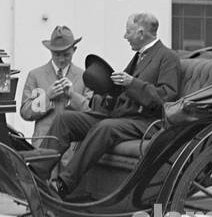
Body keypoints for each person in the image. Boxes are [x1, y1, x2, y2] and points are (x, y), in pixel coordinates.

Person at [51, 12, 181, 198]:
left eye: (128, 32)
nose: (125, 36)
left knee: (105, 127)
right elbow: (120, 92)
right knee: (65, 119)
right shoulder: (140, 57)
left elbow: (166, 98)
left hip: (147, 123)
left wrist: (131, 83)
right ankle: (38, 174)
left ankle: (64, 184)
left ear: (141, 33)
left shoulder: (168, 57)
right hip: (123, 118)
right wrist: (109, 92)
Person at [14, 25, 86, 217]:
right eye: (57, 54)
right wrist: (47, 96)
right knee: (36, 204)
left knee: (71, 207)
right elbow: (25, 111)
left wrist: (72, 95)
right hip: (43, 150)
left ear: (73, 50)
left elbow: (91, 109)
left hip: (72, 151)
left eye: (65, 53)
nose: (61, 58)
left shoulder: (83, 77)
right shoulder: (37, 76)